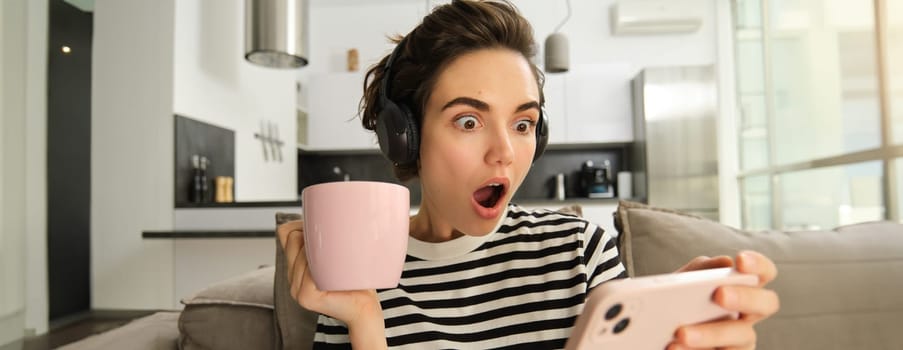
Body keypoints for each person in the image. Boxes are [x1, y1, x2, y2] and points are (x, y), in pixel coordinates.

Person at [277, 1, 779, 349]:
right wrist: (366, 324)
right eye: (468, 121)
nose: (505, 154)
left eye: (523, 124)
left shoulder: (580, 252)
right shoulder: (360, 274)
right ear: (404, 135)